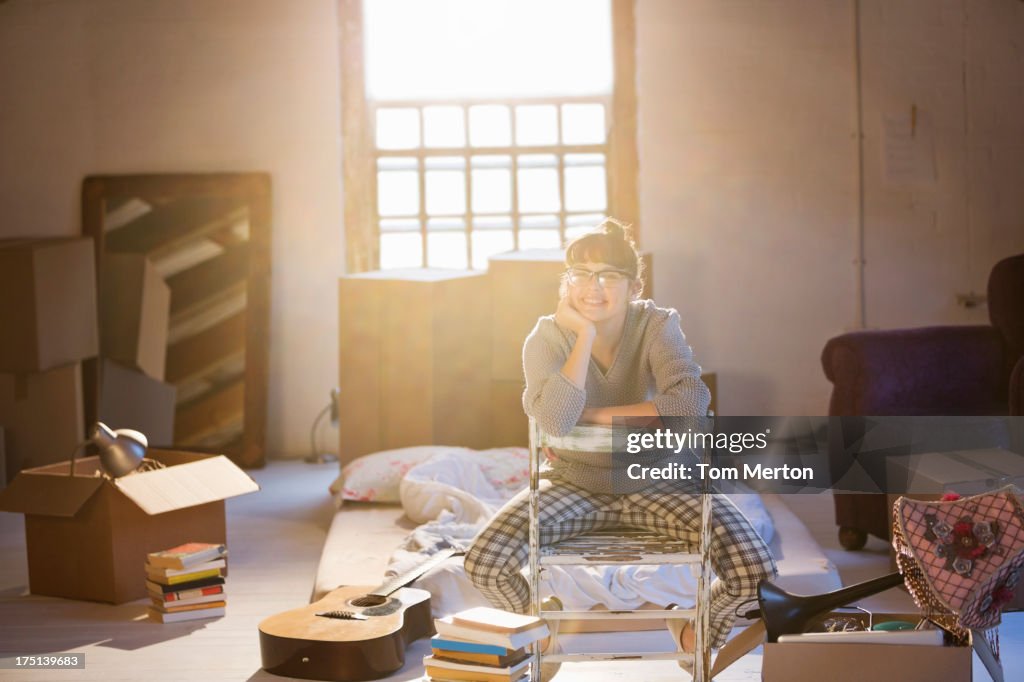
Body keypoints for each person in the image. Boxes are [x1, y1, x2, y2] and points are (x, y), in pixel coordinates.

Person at [464, 218, 777, 676]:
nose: (594, 288)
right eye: (581, 275)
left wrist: (589, 416)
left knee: (756, 570)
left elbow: (690, 405)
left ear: (633, 285)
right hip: (575, 483)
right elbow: (552, 420)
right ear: (565, 283)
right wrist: (584, 338)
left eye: (609, 275)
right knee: (483, 564)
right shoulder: (546, 337)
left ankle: (694, 631)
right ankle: (542, 632)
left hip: (660, 479)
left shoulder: (657, 325)